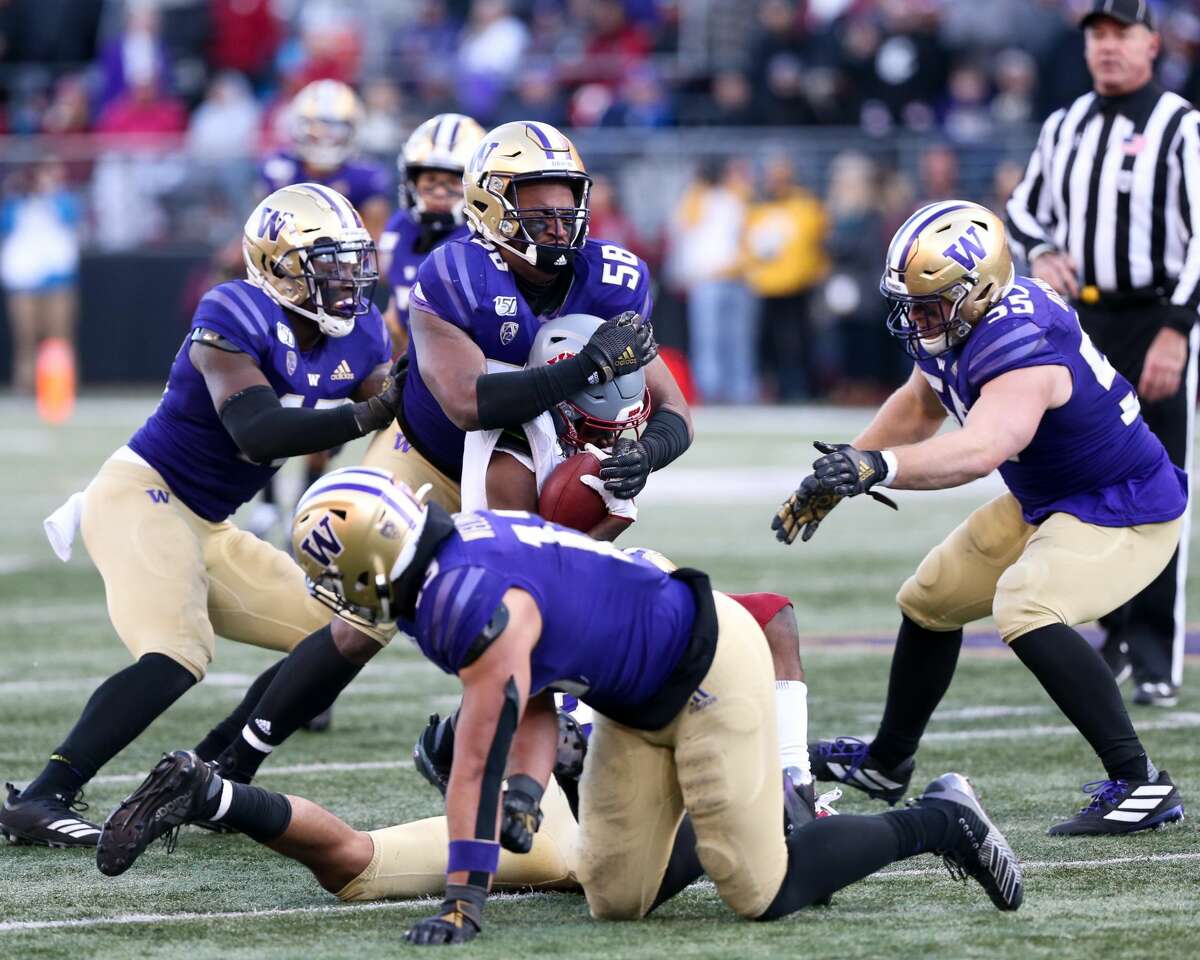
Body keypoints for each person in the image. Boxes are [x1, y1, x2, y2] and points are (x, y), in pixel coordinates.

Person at [97, 470, 1024, 944]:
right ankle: (747, 823)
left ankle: (938, 821)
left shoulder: (461, 598)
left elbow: (475, 749)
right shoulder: (451, 561)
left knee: (761, 894)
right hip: (628, 704)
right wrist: (533, 788)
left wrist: (464, 900)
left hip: (708, 671)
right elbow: (535, 689)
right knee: (615, 899)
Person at [0, 184, 401, 848]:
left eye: (351, 263)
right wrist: (365, 415)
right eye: (326, 265)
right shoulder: (233, 310)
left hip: (210, 523)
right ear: (275, 265)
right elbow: (256, 431)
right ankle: (42, 795)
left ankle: (218, 767)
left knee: (344, 627)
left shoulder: (359, 330)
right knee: (177, 654)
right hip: (144, 496)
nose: (344, 280)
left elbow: (402, 416)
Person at [775, 200, 1187, 836]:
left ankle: (1140, 782)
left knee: (1024, 607)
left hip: (1121, 506)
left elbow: (983, 447)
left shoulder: (1022, 341)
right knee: (931, 597)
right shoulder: (962, 321)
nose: (915, 316)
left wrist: (876, 469)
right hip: (1049, 497)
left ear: (979, 291)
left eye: (929, 302)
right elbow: (920, 405)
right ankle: (887, 763)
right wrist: (847, 468)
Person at [1005, 0, 1200, 707]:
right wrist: (1043, 249)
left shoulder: (1181, 126)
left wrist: (1177, 328)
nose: (1109, 47)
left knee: (1161, 481)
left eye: (1123, 34)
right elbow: (1025, 209)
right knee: (1087, 475)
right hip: (1082, 322)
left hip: (1155, 315)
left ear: (1152, 44)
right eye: (1099, 36)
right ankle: (1112, 629)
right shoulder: (1066, 125)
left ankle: (1154, 646)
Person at [249, 79, 394, 548]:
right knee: (272, 389)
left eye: (335, 127)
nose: (326, 137)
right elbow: (259, 236)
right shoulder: (278, 168)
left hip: (337, 293)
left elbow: (371, 245)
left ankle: (306, 493)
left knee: (331, 393)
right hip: (284, 291)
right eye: (317, 126)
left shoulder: (367, 178)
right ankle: (268, 497)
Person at [1, 159, 81, 394]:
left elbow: (69, 217)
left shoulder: (64, 200)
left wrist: (50, 194)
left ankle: (60, 388)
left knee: (59, 337)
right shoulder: (17, 203)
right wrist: (18, 193)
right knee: (26, 338)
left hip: (58, 280)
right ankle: (25, 387)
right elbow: (6, 225)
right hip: (24, 280)